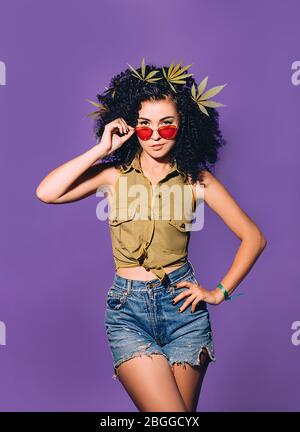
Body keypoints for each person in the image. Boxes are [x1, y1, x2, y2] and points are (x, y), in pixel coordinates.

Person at [36, 59, 267, 412]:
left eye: (166, 125)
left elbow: (253, 237)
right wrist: (102, 149)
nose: (155, 135)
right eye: (144, 126)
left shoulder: (196, 181)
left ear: (183, 126)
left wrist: (218, 292)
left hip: (183, 310)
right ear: (130, 126)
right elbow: (47, 192)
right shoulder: (114, 175)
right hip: (128, 311)